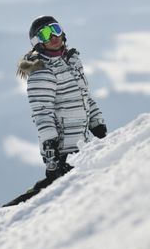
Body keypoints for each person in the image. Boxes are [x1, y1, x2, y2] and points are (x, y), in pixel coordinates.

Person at [17, 15, 107, 184]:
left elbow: (85, 95)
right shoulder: (42, 71)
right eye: (45, 34)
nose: (53, 37)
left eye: (55, 30)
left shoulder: (72, 62)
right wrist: (51, 150)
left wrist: (97, 122)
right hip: (62, 151)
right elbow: (42, 113)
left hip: (82, 145)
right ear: (38, 42)